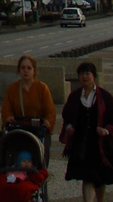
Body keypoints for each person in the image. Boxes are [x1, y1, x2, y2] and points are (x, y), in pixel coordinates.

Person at [60, 61, 113, 202]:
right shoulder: (75, 97)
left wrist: (105, 131)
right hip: (82, 144)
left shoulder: (105, 97)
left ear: (94, 76)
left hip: (99, 145)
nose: (84, 77)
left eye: (87, 73)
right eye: (81, 74)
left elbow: (112, 120)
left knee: (100, 178)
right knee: (87, 177)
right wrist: (69, 128)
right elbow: (67, 116)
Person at [1, 55, 57, 132]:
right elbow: (6, 109)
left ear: (34, 71)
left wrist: (48, 122)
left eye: (29, 68)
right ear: (19, 70)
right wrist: (9, 117)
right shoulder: (12, 88)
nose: (26, 71)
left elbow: (50, 111)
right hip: (19, 131)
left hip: (37, 130)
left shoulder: (42, 88)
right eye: (23, 68)